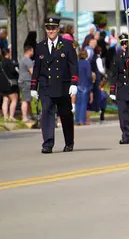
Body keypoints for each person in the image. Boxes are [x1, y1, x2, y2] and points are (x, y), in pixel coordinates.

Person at [30, 17, 78, 154]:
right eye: (48, 28)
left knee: (66, 115)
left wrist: (74, 83)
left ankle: (69, 142)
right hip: (46, 86)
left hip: (63, 86)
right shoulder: (40, 46)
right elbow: (37, 68)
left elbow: (73, 66)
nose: (50, 31)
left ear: (58, 29)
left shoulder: (67, 45)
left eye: (53, 28)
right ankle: (48, 144)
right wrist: (33, 86)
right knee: (47, 114)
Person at [75, 49, 93, 125]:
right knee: (83, 103)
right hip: (85, 84)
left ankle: (77, 120)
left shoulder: (76, 63)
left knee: (78, 103)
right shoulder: (87, 63)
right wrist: (91, 85)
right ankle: (82, 120)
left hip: (77, 84)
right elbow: (89, 75)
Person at [0, 48, 19, 121]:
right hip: (10, 84)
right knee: (14, 99)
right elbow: (14, 71)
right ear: (7, 53)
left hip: (2, 85)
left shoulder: (1, 63)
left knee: (5, 100)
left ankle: (5, 117)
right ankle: (11, 116)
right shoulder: (10, 62)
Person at [18, 45, 35, 123]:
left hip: (22, 81)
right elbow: (32, 72)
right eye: (32, 50)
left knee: (28, 99)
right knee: (25, 100)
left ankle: (31, 115)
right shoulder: (28, 60)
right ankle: (24, 117)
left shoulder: (22, 59)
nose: (33, 52)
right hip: (26, 81)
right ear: (29, 51)